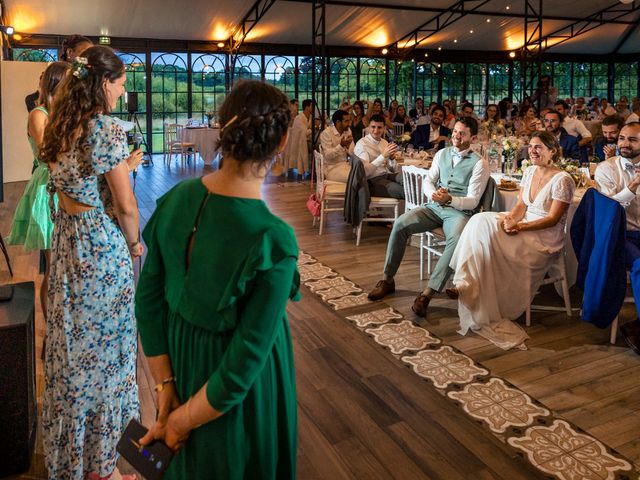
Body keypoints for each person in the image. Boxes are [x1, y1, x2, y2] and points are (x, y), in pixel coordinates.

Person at [135, 80, 299, 478]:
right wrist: (180, 422)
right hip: (231, 394)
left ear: (222, 129)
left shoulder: (176, 199)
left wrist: (165, 386)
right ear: (281, 144)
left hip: (178, 362)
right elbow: (242, 366)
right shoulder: (272, 239)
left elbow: (147, 300)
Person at [39, 46, 143, 480]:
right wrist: (135, 244)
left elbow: (80, 184)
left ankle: (77, 459)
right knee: (108, 356)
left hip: (66, 247)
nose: (122, 91)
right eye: (119, 83)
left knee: (73, 349)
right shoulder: (105, 130)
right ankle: (105, 466)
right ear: (103, 83)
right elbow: (126, 206)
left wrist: (122, 165)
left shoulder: (60, 126)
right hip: (99, 253)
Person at [449, 131, 575, 350]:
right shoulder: (529, 171)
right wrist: (509, 219)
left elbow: (553, 219)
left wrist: (520, 226)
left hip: (543, 238)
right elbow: (520, 206)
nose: (532, 151)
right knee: (480, 221)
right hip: (524, 224)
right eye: (531, 146)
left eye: (539, 147)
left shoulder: (563, 179)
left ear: (552, 151)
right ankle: (465, 282)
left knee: (491, 236)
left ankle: (474, 287)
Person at [367, 117, 489, 318]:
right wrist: (432, 194)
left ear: (473, 137)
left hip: (458, 212)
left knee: (457, 239)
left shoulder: (480, 164)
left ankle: (427, 294)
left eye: (462, 133)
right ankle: (387, 280)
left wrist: (450, 199)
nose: (456, 136)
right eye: (455, 132)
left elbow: (473, 200)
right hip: (433, 207)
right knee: (400, 224)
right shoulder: (442, 153)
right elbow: (428, 181)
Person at [7, 62, 69, 318]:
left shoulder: (63, 113)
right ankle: (52, 330)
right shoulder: (39, 114)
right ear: (57, 83)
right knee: (54, 266)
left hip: (65, 185)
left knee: (66, 266)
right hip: (47, 188)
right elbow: (49, 155)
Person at [594, 122, 640, 354]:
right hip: (622, 235)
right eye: (622, 138)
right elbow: (610, 210)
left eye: (632, 139)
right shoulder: (606, 169)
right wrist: (634, 184)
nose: (624, 143)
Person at [353, 114, 404, 199]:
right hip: (371, 181)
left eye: (379, 128)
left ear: (384, 128)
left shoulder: (384, 142)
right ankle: (419, 211)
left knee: (411, 180)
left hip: (387, 174)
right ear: (368, 127)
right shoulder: (362, 144)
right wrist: (383, 156)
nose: (376, 131)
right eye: (373, 127)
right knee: (404, 191)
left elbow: (393, 169)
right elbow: (364, 172)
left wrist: (391, 159)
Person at [320, 109, 353, 182]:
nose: (349, 124)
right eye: (346, 121)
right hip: (331, 168)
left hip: (345, 165)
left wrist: (349, 146)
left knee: (362, 174)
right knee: (354, 177)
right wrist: (341, 145)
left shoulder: (347, 131)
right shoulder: (326, 133)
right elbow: (328, 155)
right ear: (338, 122)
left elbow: (352, 153)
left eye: (349, 121)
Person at [282, 98, 312, 177]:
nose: (296, 107)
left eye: (297, 105)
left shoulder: (310, 117)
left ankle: (314, 169)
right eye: (295, 105)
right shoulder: (298, 118)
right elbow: (304, 132)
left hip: (306, 140)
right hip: (296, 142)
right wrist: (312, 129)